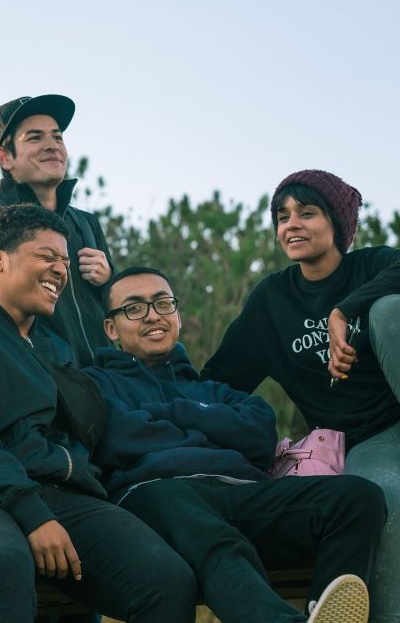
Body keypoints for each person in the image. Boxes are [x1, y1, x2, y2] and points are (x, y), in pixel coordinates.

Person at [201, 169, 400, 622]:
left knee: (392, 307)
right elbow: (218, 382)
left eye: (307, 212)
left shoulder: (371, 266)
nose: (291, 224)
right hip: (376, 446)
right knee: (377, 504)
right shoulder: (272, 303)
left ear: (337, 223)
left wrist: (345, 310)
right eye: (282, 216)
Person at [0, 204, 195, 622]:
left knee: (167, 578)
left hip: (63, 495)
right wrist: (31, 513)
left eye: (65, 261)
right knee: (4, 562)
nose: (60, 270)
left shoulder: (57, 350)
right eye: (46, 256)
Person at [86, 265, 384, 622]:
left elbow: (260, 434)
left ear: (177, 315)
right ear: (111, 328)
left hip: (240, 492)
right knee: (210, 536)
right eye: (134, 308)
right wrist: (210, 425)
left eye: (163, 303)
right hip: (154, 496)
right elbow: (120, 438)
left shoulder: (211, 390)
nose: (153, 316)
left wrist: (174, 414)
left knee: (356, 498)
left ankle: (324, 614)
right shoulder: (96, 383)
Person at [0, 94, 112, 367]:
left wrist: (109, 281)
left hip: (106, 388)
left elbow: (119, 313)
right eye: (35, 138)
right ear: (5, 158)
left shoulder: (87, 224)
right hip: (44, 389)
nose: (52, 146)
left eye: (57, 137)